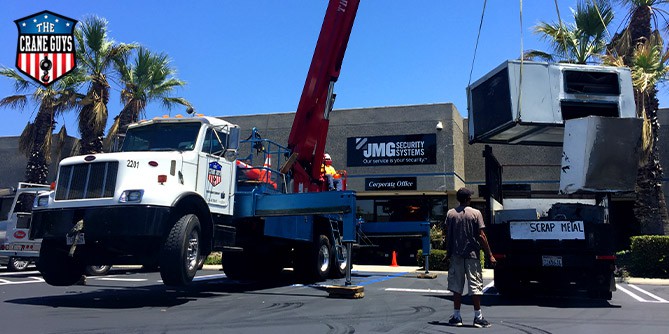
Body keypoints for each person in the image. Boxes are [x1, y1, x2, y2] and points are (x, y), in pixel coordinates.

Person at [443, 187, 496, 328]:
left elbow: (448, 236)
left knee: (456, 286)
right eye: (470, 197)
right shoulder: (476, 213)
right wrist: (490, 255)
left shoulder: (450, 214)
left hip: (456, 255)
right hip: (472, 255)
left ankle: (456, 316)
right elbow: (481, 236)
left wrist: (447, 253)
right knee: (475, 286)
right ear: (467, 199)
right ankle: (478, 317)